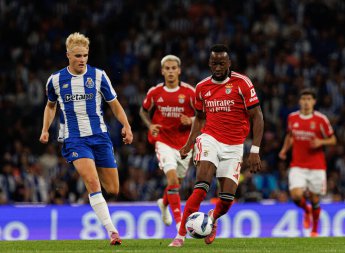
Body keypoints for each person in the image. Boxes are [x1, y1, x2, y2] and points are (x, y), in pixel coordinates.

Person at [39, 32, 133, 245]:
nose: (82, 59)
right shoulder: (55, 80)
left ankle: (95, 195)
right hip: (74, 139)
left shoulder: (99, 76)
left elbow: (114, 104)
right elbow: (50, 106)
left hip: (100, 137)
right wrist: (45, 129)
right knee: (92, 182)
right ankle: (112, 232)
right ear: (68, 55)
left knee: (114, 189)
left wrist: (126, 125)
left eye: (85, 55)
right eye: (78, 55)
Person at [169, 44, 264, 247]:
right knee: (202, 184)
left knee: (227, 198)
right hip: (210, 138)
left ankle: (211, 219)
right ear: (209, 64)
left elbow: (257, 116)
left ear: (229, 63)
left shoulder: (242, 83)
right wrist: (189, 144)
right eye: (214, 63)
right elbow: (199, 118)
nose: (218, 66)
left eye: (222, 62)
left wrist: (254, 150)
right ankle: (180, 235)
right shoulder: (202, 87)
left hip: (235, 145)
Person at [139, 55, 196, 231]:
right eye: (167, 68)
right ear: (162, 71)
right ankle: (180, 225)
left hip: (185, 144)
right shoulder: (155, 93)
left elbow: (204, 116)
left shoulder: (189, 92)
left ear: (179, 70)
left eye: (174, 68)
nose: (171, 71)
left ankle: (164, 204)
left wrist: (192, 120)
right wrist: (150, 126)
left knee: (176, 183)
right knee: (172, 179)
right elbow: (143, 111)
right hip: (163, 141)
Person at [279, 88, 337, 237]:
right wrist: (284, 150)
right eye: (303, 99)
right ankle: (307, 210)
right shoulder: (292, 118)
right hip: (297, 165)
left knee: (315, 198)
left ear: (314, 101)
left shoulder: (321, 119)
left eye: (309, 99)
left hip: (316, 166)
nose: (306, 102)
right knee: (296, 195)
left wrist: (321, 142)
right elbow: (290, 136)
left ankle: (315, 230)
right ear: (299, 101)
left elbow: (333, 139)